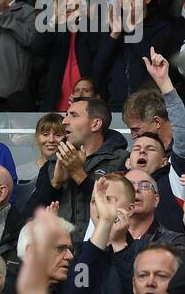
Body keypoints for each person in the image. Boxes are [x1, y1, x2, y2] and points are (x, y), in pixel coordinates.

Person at [25, 96, 128, 242]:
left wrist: (78, 175)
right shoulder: (54, 162)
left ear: (95, 124)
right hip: (58, 253)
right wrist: (55, 184)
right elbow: (29, 216)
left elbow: (119, 210)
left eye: (74, 115)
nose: (65, 121)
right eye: (66, 115)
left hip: (103, 252)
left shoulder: (121, 161)